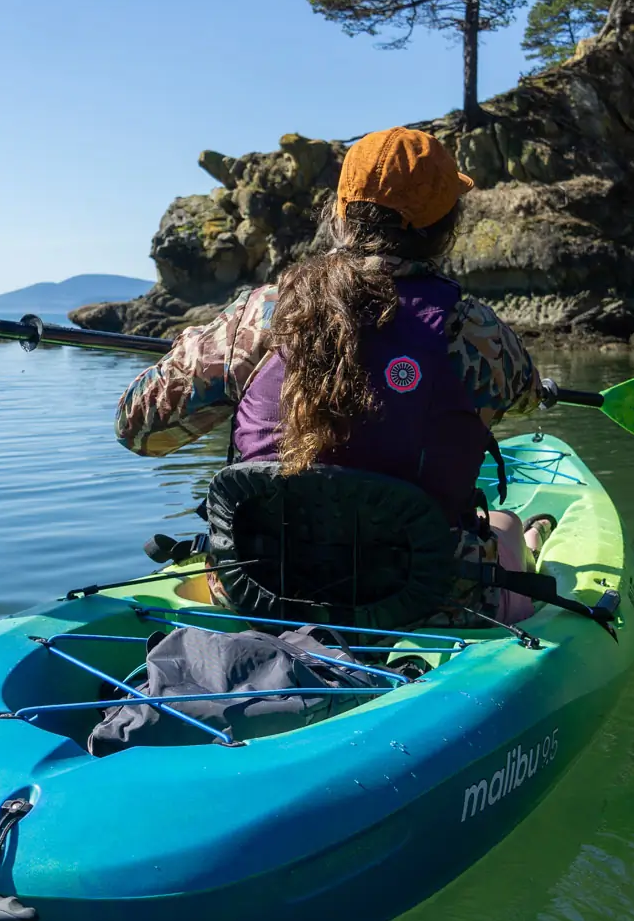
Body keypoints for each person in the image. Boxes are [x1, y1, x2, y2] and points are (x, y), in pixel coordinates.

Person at [115, 126, 552, 622]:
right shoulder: (478, 333)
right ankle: (530, 541)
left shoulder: (261, 316)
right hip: (426, 600)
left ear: (341, 212)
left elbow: (138, 430)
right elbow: (523, 399)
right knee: (507, 525)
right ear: (446, 225)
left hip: (256, 588)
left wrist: (195, 347)